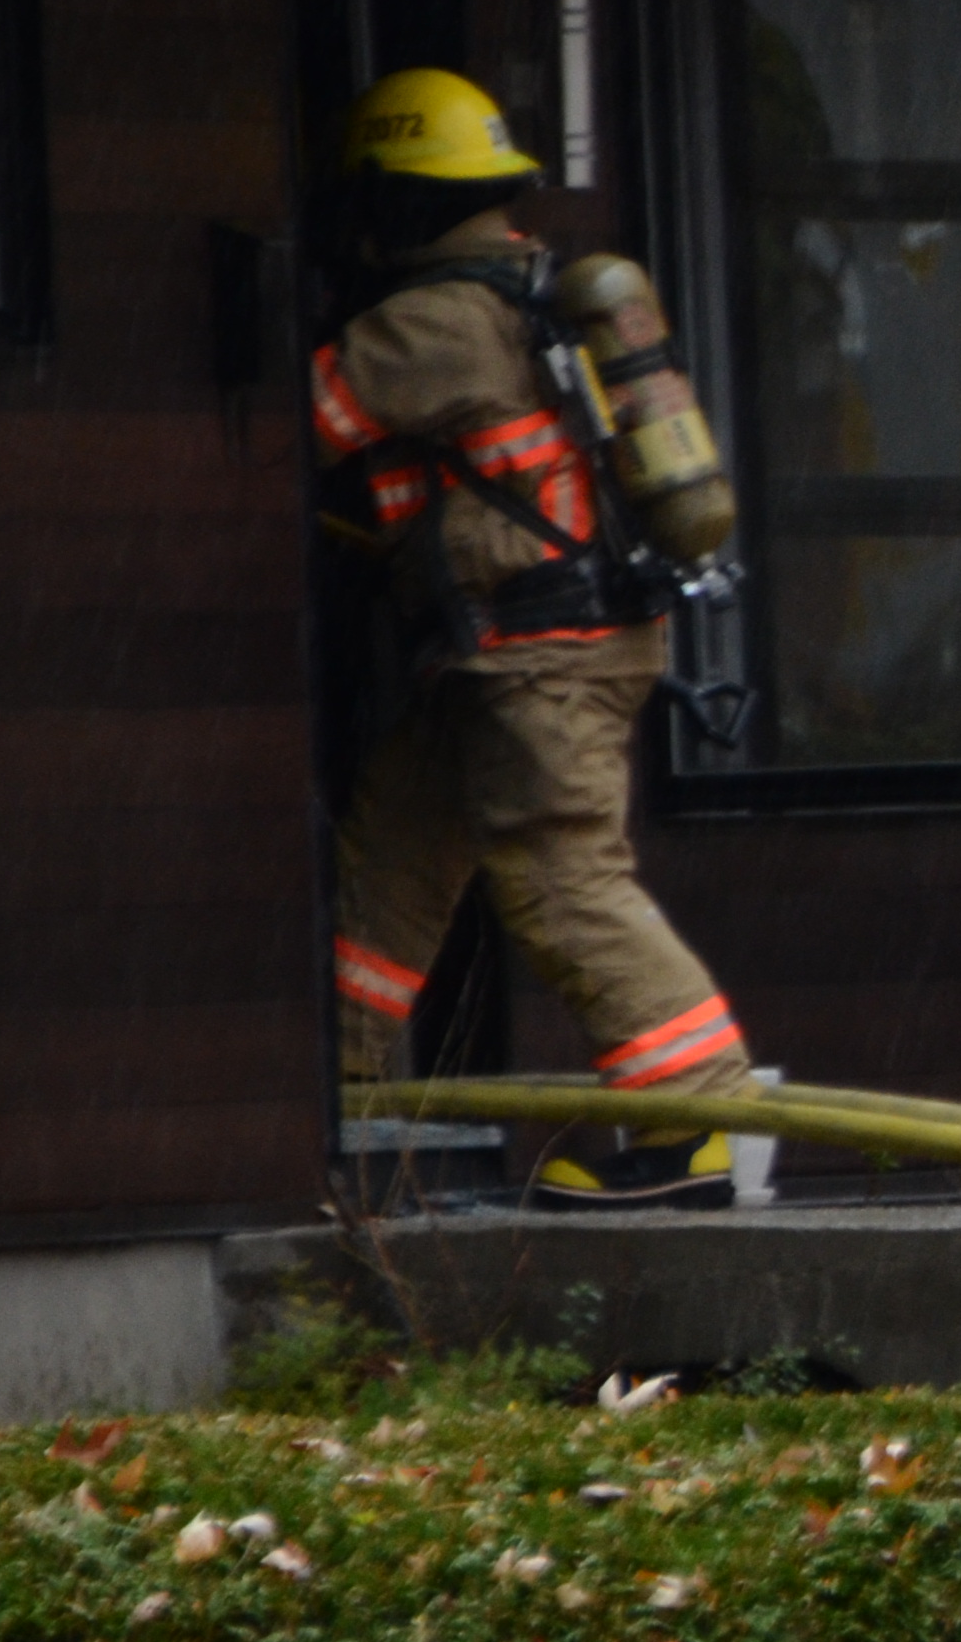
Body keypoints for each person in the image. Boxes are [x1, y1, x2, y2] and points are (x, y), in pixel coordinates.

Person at [309, 68, 753, 1196]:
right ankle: (328, 1087)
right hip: (505, 659)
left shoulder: (434, 322)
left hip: (534, 661)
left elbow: (300, 423)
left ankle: (694, 1125)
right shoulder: (525, 294)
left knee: (561, 876)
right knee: (392, 864)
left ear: (394, 197)